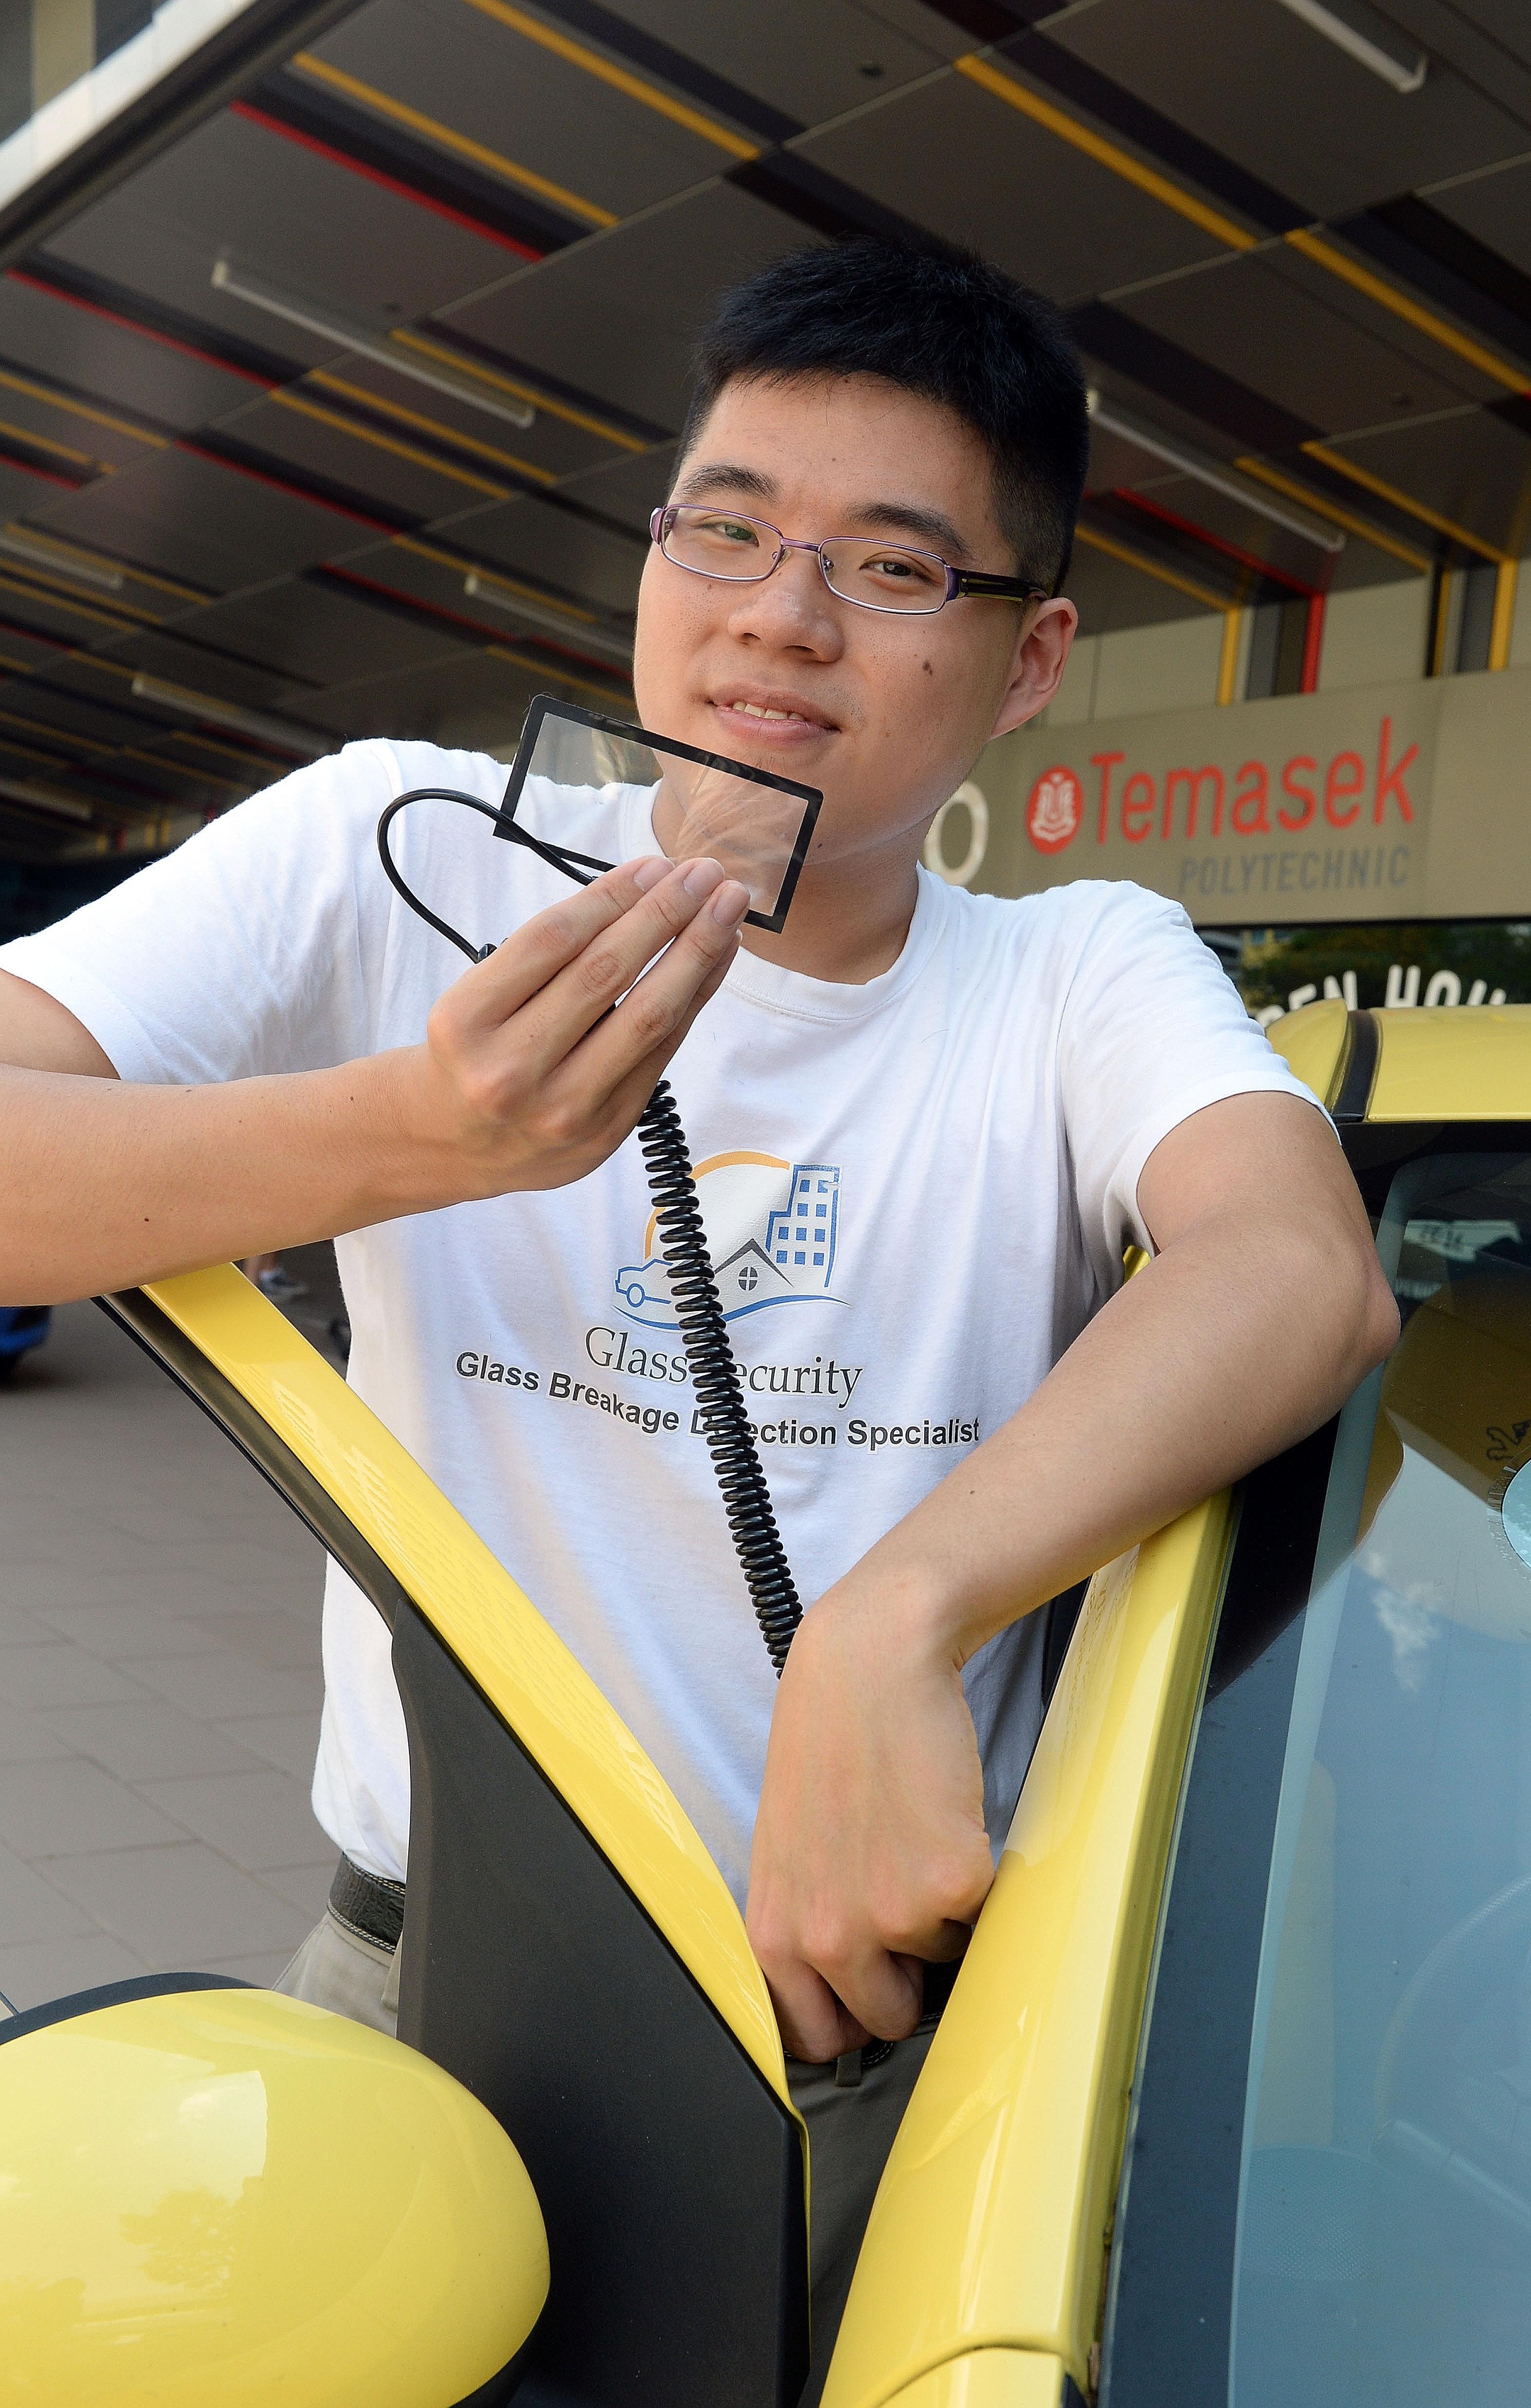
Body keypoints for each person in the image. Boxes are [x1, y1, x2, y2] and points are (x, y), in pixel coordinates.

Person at [0, 238, 1398, 2380]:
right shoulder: (402, 844)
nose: (776, 616)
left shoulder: (1069, 971)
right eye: (725, 530)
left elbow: (1294, 1265)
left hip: (870, 2046)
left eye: (890, 567)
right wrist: (421, 1127)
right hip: (412, 1981)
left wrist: (893, 1616)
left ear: (1027, 661)